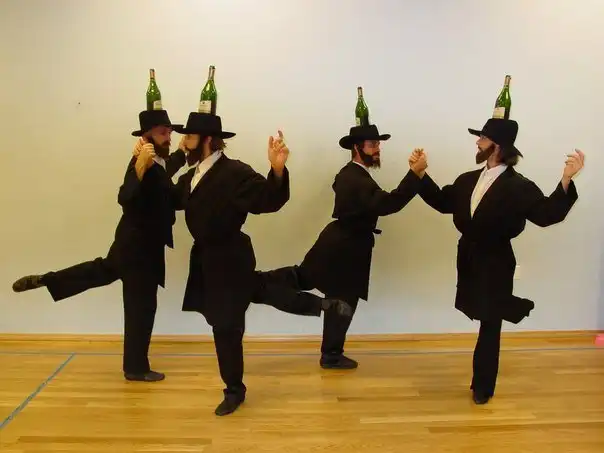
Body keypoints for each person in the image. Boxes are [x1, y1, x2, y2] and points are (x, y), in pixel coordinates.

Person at [170, 112, 353, 416]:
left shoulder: (235, 172)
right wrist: (164, 161)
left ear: (207, 140)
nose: (183, 141)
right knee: (259, 290)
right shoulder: (191, 178)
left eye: (188, 136)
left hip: (230, 257)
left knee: (226, 326)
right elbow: (165, 197)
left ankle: (234, 391)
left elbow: (269, 199)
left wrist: (277, 169)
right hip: (207, 261)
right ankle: (321, 304)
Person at [410, 117, 585, 404]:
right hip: (468, 258)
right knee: (481, 310)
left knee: (490, 322)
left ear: (498, 146)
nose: (477, 142)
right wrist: (419, 174)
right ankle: (511, 306)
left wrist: (566, 179)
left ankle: (483, 386)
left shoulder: (519, 186)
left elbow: (546, 214)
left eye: (482, 138)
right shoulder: (467, 179)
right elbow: (443, 202)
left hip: (497, 260)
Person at [11, 109, 188, 382]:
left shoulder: (159, 161)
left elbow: (168, 169)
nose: (169, 136)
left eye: (170, 131)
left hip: (132, 243)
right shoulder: (141, 162)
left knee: (100, 272)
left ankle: (49, 279)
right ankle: (136, 368)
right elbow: (125, 196)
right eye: (163, 132)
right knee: (141, 307)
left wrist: (184, 151)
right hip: (139, 250)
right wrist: (139, 166)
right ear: (147, 136)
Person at [266, 123, 428, 370]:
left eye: (378, 144)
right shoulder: (353, 177)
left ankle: (331, 354)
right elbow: (387, 204)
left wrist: (414, 175)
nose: (377, 149)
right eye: (372, 145)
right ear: (357, 147)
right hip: (343, 246)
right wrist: (414, 174)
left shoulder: (355, 175)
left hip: (347, 243)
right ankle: (255, 283)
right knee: (318, 286)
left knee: (332, 293)